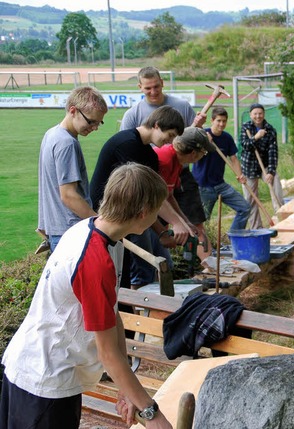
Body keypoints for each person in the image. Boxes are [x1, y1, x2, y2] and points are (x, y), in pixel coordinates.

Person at [1, 163, 173, 429]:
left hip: (53, 373)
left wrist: (127, 388)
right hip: (44, 381)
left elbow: (111, 313)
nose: (159, 220)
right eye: (158, 211)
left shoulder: (103, 235)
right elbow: (107, 353)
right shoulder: (94, 260)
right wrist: (151, 413)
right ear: (142, 214)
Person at [90, 105, 190, 288]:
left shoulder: (150, 155)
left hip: (127, 218)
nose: (170, 142)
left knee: (128, 272)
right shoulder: (126, 143)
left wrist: (161, 232)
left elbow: (152, 198)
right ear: (157, 125)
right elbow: (146, 195)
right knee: (124, 274)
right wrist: (176, 222)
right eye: (170, 135)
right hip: (106, 219)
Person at [120, 66, 210, 254]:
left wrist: (198, 127)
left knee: (193, 221)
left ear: (162, 83)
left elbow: (195, 136)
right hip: (149, 176)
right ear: (140, 87)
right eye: (147, 88)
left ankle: (201, 262)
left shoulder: (182, 106)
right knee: (156, 224)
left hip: (180, 171)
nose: (153, 92)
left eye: (156, 87)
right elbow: (125, 151)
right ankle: (164, 260)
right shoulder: (132, 114)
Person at [37, 86, 108, 252]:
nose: (95, 127)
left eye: (99, 123)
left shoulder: (52, 133)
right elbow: (68, 195)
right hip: (70, 231)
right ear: (73, 110)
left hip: (58, 230)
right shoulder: (67, 143)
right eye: (91, 121)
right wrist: (99, 223)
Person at [154, 127, 215, 261]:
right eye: (203, 153)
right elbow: (156, 199)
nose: (202, 156)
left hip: (151, 214)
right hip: (140, 216)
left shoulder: (177, 162)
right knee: (150, 268)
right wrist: (176, 224)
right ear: (193, 153)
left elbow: (169, 195)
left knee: (165, 264)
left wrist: (186, 222)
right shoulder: (165, 159)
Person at [192, 106, 250, 231]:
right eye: (218, 120)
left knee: (244, 208)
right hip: (203, 186)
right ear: (212, 120)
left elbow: (233, 158)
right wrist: (206, 143)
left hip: (220, 185)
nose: (221, 124)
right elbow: (192, 155)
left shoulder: (227, 138)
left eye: (224, 121)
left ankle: (233, 237)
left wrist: (240, 175)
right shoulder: (203, 134)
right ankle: (204, 247)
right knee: (202, 221)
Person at [240, 103, 285, 229]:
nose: (258, 116)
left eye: (260, 113)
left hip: (264, 166)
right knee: (251, 199)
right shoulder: (246, 128)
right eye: (255, 114)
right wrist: (256, 137)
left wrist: (270, 171)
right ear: (250, 115)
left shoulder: (270, 130)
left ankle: (281, 218)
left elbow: (273, 152)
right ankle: (256, 228)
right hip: (249, 167)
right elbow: (245, 145)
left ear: (264, 114)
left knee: (275, 181)